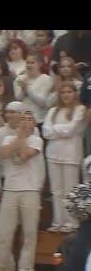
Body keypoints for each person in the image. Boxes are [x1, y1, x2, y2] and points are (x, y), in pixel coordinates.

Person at [0, 111, 45, 271]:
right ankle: (4, 265)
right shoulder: (6, 139)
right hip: (10, 189)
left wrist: (21, 137)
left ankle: (26, 267)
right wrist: (19, 135)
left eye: (29, 119)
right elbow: (4, 154)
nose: (26, 122)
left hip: (30, 189)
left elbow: (24, 155)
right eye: (23, 119)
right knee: (4, 231)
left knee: (29, 231)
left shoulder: (37, 140)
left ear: (34, 124)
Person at [42, 82, 86, 233]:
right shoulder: (53, 110)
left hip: (71, 154)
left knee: (70, 190)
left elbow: (71, 130)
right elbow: (45, 132)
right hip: (53, 153)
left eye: (69, 92)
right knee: (56, 191)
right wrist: (60, 131)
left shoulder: (80, 110)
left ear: (75, 93)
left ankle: (71, 222)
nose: (66, 95)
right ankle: (58, 221)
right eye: (63, 92)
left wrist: (55, 131)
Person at [13, 52, 53, 130]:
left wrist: (27, 88)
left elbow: (42, 102)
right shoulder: (20, 78)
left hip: (39, 121)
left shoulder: (46, 79)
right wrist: (23, 89)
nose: (29, 65)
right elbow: (18, 98)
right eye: (27, 62)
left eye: (32, 63)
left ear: (40, 64)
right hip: (22, 120)